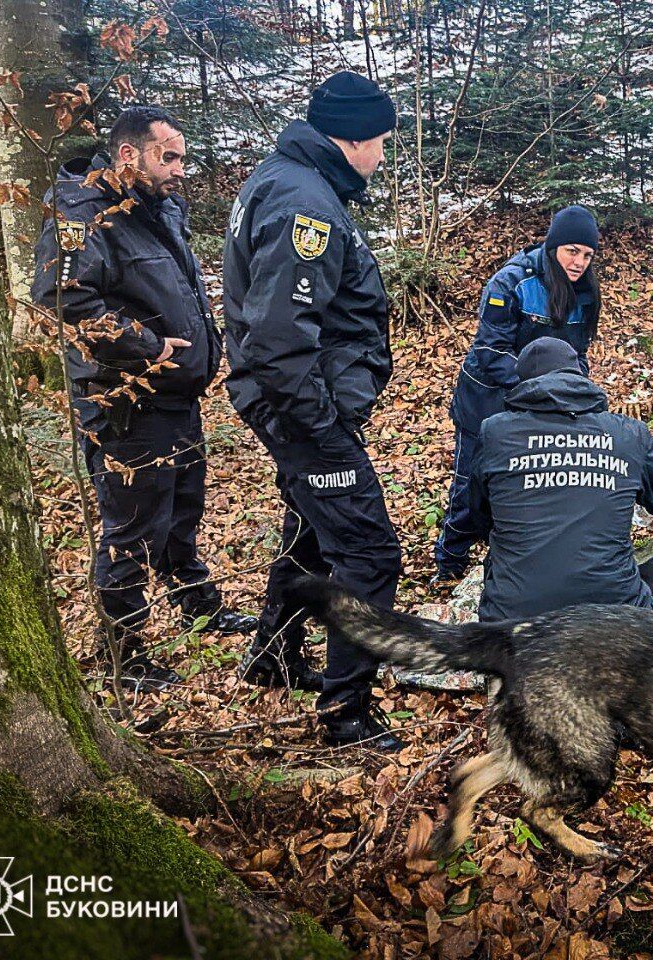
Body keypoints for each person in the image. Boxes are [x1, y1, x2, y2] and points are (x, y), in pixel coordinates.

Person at [30, 106, 258, 692]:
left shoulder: (158, 207)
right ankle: (124, 652)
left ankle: (197, 605)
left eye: (181, 156)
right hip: (124, 403)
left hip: (176, 394)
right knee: (131, 527)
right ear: (129, 155)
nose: (180, 169)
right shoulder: (81, 212)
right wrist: (147, 345)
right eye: (169, 156)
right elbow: (61, 298)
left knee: (183, 507)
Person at [221, 71, 403, 749]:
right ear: (351, 136)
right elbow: (279, 337)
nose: (382, 156)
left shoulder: (288, 178)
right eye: (380, 142)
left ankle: (271, 654)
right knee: (368, 551)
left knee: (311, 529)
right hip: (302, 412)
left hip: (296, 406)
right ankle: (346, 713)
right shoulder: (305, 204)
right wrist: (321, 426)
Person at [465, 337, 653, 621]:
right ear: (578, 374)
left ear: (524, 383)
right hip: (613, 623)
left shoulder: (494, 433)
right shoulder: (628, 434)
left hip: (511, 625)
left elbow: (479, 516)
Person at [434, 205, 603, 583]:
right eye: (572, 251)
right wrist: (540, 389)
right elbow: (490, 353)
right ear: (553, 246)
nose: (579, 262)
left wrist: (581, 393)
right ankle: (450, 561)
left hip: (544, 403)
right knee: (469, 484)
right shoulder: (511, 282)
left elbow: (578, 355)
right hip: (488, 401)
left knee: (527, 485)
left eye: (587, 255)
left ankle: (512, 558)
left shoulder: (586, 291)